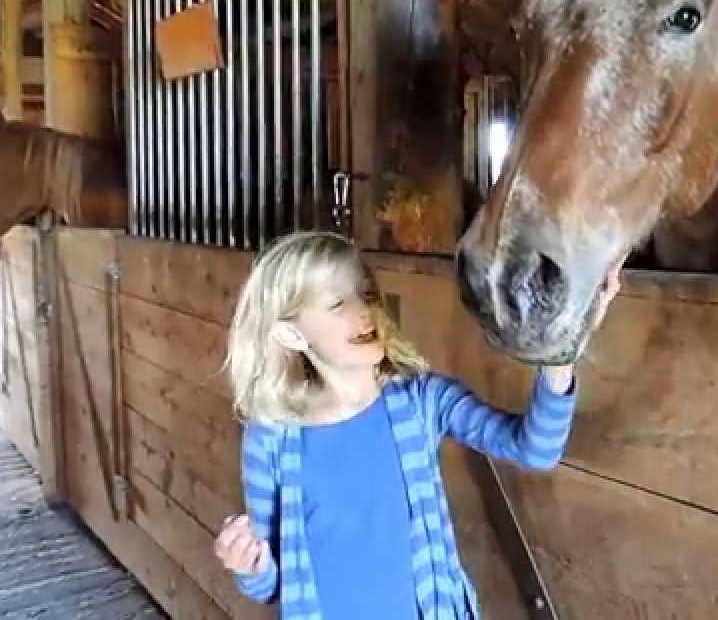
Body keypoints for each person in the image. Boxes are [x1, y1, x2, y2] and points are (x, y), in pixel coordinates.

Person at [213, 230, 620, 619]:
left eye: (366, 293)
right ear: (291, 334)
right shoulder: (271, 437)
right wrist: (248, 565)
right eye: (337, 304)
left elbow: (536, 449)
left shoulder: (422, 399)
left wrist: (563, 351)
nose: (363, 310)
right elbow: (271, 586)